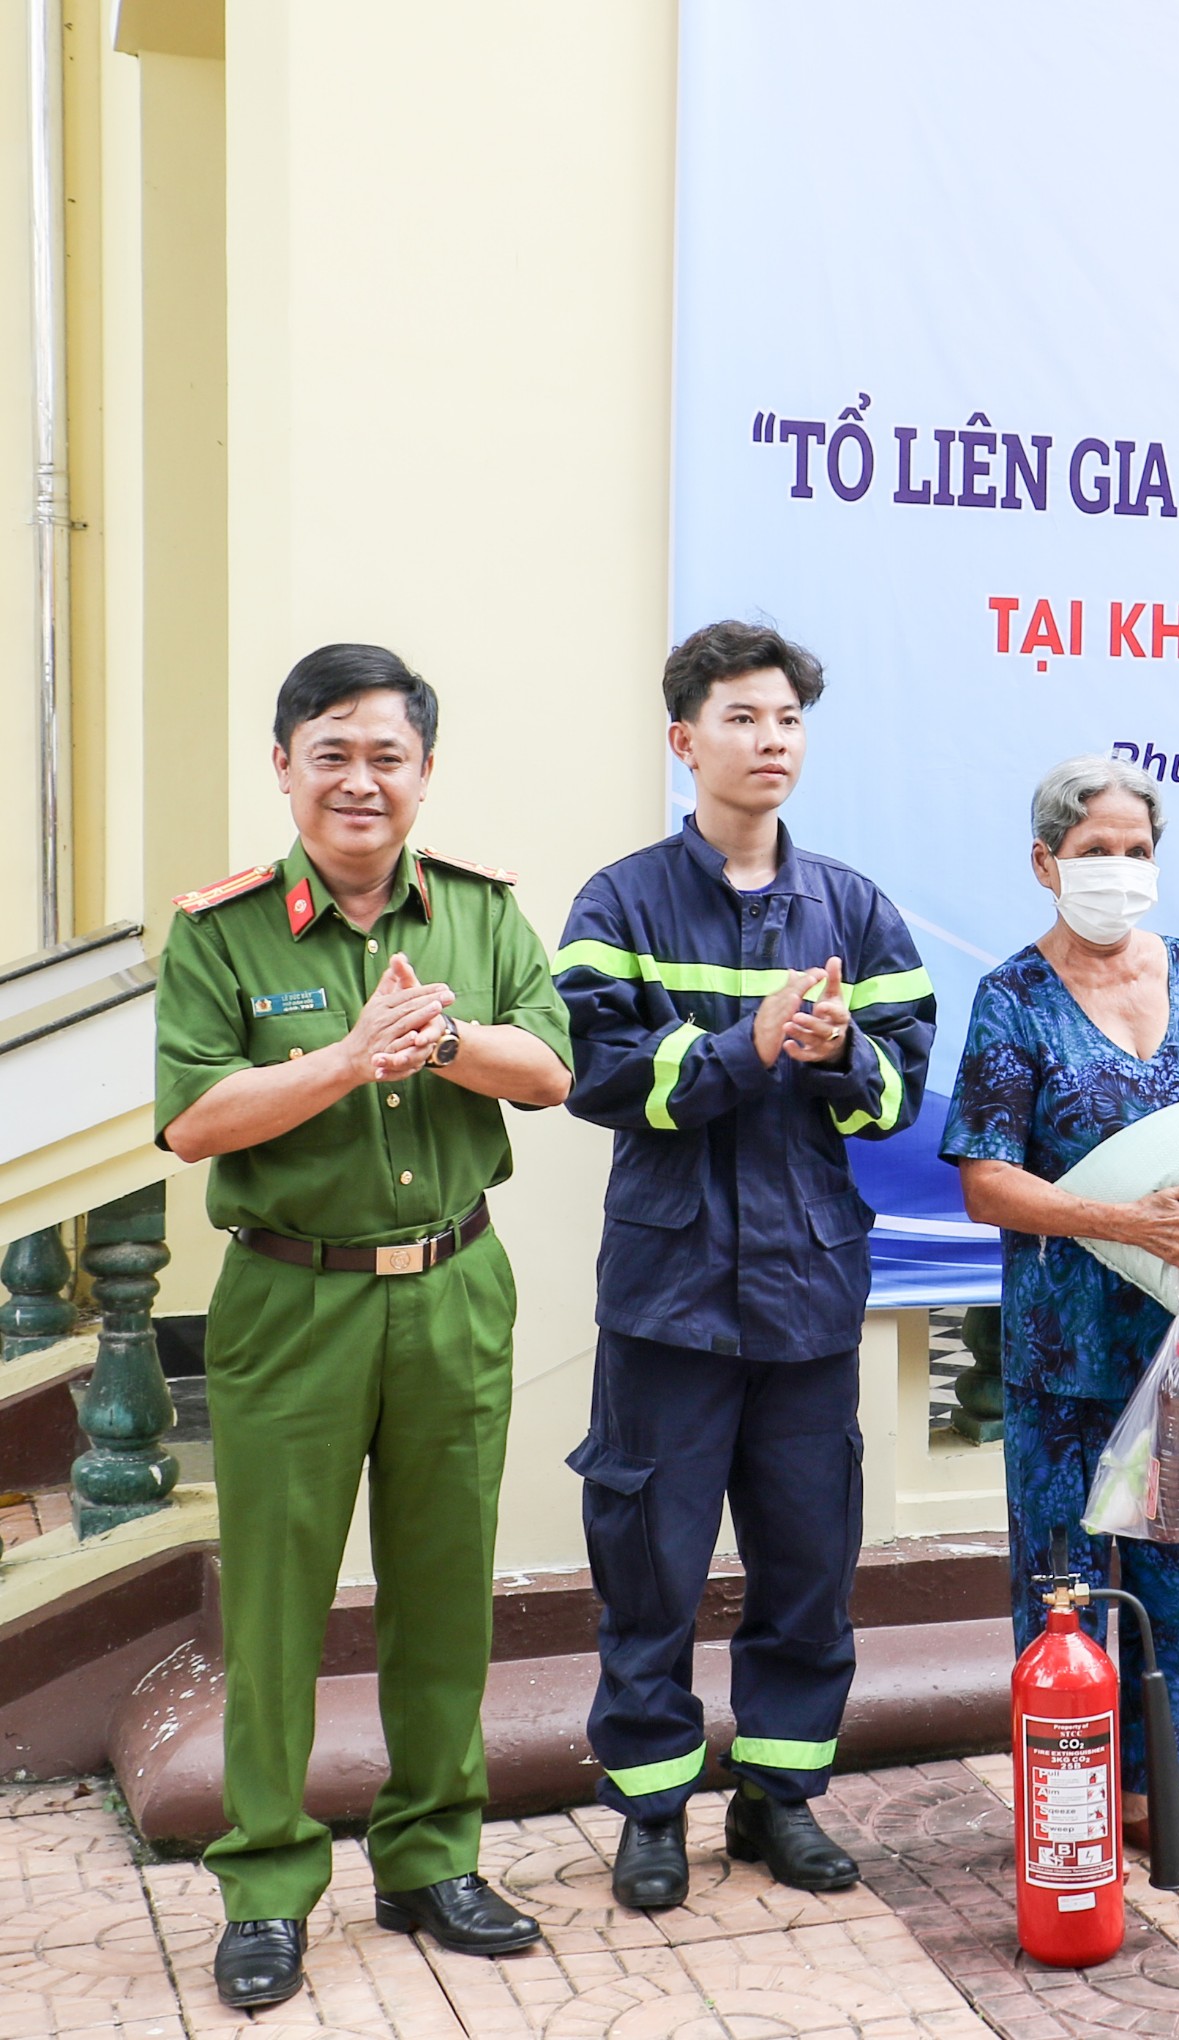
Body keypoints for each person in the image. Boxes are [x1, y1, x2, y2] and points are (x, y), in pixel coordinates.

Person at [154, 645, 574, 2008]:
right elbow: (194, 1119)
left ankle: (430, 1857)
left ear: (424, 773)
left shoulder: (480, 915)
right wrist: (342, 1060)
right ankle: (269, 1880)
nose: (360, 779)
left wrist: (436, 1040)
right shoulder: (223, 933)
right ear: (283, 766)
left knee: (445, 1589)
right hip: (292, 1298)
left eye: (387, 754)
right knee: (277, 1606)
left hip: (454, 1288)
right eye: (330, 751)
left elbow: (550, 1069)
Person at [554, 621, 935, 1911]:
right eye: (741, 718)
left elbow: (898, 1100)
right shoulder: (618, 901)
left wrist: (836, 1056)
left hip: (810, 1296)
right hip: (667, 1302)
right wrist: (748, 1044)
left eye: (786, 720)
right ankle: (652, 1807)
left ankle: (780, 1801)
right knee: (649, 1565)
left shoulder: (856, 908)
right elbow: (601, 1080)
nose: (769, 741)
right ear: (684, 741)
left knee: (807, 1562)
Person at [942, 754, 1179, 1876]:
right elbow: (986, 1182)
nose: (1118, 872)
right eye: (1094, 854)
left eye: (1135, 852)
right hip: (1064, 1350)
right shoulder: (1013, 997)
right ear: (1046, 864)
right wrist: (1127, 1222)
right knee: (1065, 1581)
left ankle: (1163, 1792)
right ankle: (1068, 1787)